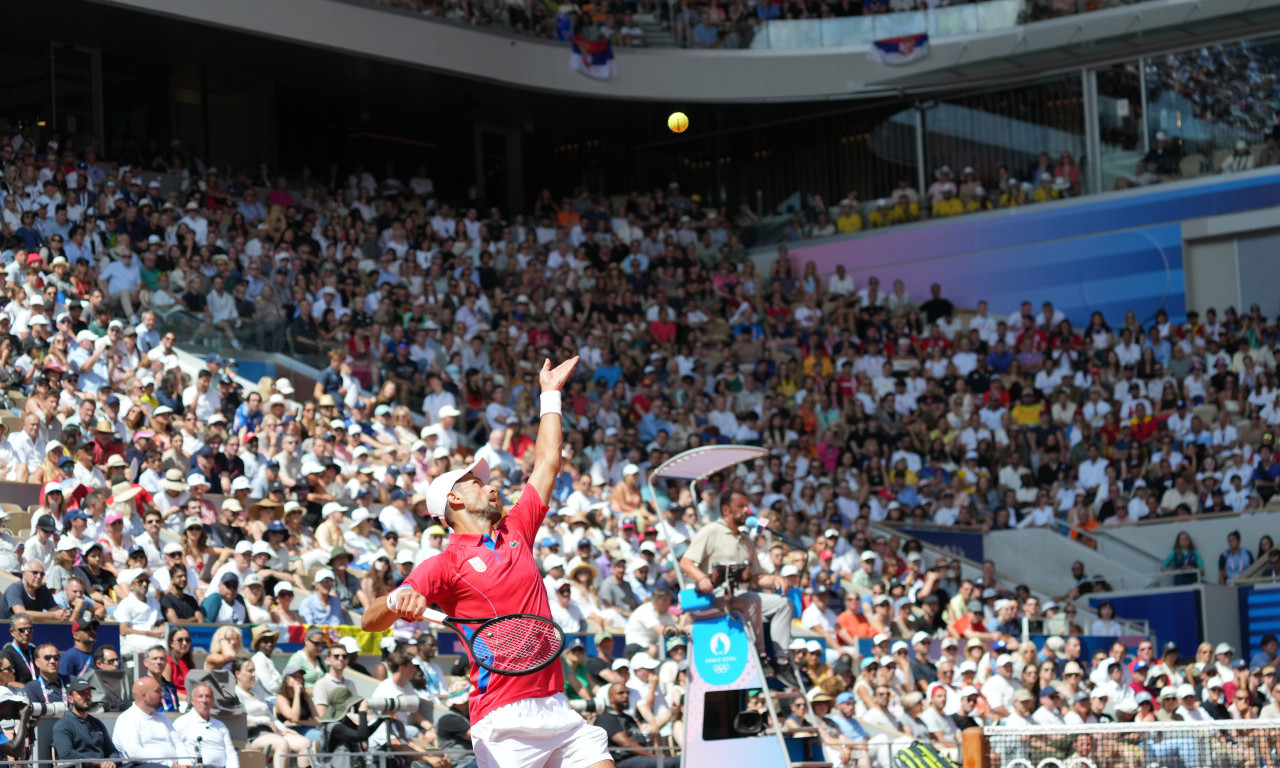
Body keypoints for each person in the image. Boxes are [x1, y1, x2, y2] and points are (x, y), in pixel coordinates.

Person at [363, 357, 615, 768]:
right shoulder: (442, 564)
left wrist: (550, 394)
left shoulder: (517, 529)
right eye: (478, 483)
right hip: (502, 720)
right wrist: (396, 602)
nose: (492, 487)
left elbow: (548, 463)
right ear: (456, 500)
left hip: (556, 704)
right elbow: (368, 622)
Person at [679, 489, 799, 687]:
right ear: (726, 509)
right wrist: (701, 578)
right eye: (741, 506)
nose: (748, 510)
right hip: (713, 598)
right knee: (752, 600)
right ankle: (760, 656)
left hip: (738, 595)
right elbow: (686, 562)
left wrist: (775, 579)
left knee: (783, 604)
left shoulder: (745, 539)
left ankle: (782, 661)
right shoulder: (711, 531)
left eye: (747, 505)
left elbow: (756, 577)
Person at [232, 658, 311, 768]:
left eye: (254, 670)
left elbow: (269, 714)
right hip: (251, 734)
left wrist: (283, 728)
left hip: (271, 731)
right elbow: (241, 718)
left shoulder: (257, 692)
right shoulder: (234, 694)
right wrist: (266, 721)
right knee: (282, 744)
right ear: (238, 674)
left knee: (304, 743)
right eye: (250, 671)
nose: (254, 674)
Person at [52, 679, 134, 768]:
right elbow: (67, 755)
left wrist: (111, 761)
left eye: (88, 693)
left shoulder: (97, 723)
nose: (87, 697)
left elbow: (112, 751)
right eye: (82, 693)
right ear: (70, 699)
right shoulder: (63, 725)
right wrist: (95, 763)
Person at [595, 683, 680, 768]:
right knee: (677, 761)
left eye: (627, 693)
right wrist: (652, 756)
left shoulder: (628, 718)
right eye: (621, 693)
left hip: (641, 757)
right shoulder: (606, 717)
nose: (625, 696)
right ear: (610, 698)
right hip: (623, 761)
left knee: (678, 760)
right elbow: (626, 744)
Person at [112, 677, 184, 765]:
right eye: (157, 691)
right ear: (143, 696)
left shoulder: (163, 719)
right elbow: (135, 753)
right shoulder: (127, 719)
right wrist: (170, 764)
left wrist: (186, 763)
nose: (162, 694)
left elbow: (178, 743)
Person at [174, 682, 240, 768]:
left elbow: (230, 753)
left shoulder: (220, 726)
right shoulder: (182, 723)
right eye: (200, 696)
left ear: (212, 701)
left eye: (208, 696)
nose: (204, 700)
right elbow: (177, 748)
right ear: (193, 701)